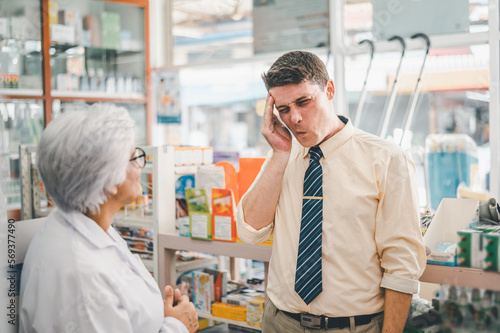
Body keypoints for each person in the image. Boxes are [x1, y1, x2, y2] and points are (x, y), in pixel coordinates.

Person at [236, 51, 426, 333]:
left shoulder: (386, 159)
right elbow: (250, 231)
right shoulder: (282, 156)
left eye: (303, 101)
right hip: (280, 322)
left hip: (353, 326)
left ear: (329, 89)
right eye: (284, 109)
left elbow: (402, 265)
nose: (295, 118)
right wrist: (278, 154)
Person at [19, 104, 199, 333]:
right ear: (110, 182)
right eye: (135, 158)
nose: (141, 167)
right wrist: (177, 326)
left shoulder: (88, 225)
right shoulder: (81, 277)